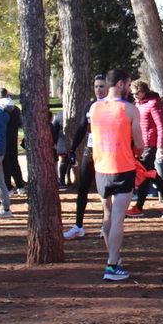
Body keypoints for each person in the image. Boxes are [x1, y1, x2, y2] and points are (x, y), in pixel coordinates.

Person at [89, 69, 143, 281]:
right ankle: (112, 266)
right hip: (122, 167)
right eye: (129, 85)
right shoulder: (129, 109)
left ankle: (114, 257)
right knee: (118, 218)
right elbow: (139, 142)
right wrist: (138, 151)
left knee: (108, 216)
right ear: (120, 84)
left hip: (101, 167)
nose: (130, 89)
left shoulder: (94, 108)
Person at [65, 75, 109, 239]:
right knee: (83, 188)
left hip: (106, 152)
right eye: (96, 86)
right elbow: (82, 128)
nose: (99, 89)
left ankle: (105, 225)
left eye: (102, 86)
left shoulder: (111, 106)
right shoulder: (89, 106)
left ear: (108, 88)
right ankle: (78, 225)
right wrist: (72, 149)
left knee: (104, 190)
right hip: (90, 150)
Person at [127, 80, 163, 217]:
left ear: (143, 92)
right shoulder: (139, 103)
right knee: (150, 172)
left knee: (143, 172)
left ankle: (139, 206)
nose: (134, 96)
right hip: (141, 143)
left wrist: (160, 147)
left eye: (136, 93)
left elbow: (161, 126)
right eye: (132, 94)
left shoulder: (153, 103)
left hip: (150, 144)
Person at [0, 89, 26, 195]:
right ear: (8, 96)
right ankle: (20, 186)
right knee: (14, 162)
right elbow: (20, 122)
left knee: (5, 164)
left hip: (2, 138)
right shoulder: (16, 109)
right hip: (13, 138)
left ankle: (8, 188)